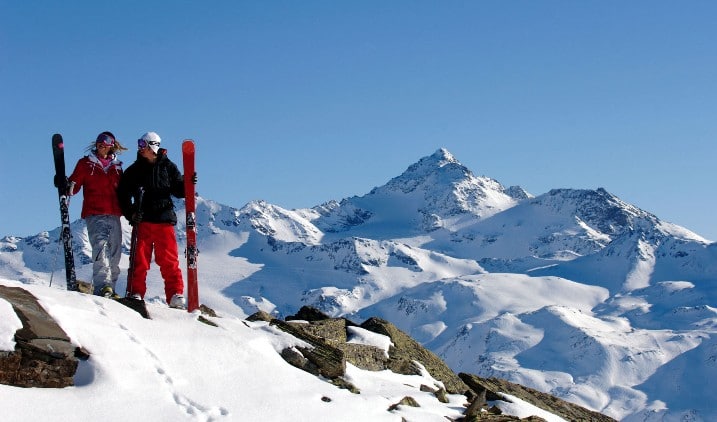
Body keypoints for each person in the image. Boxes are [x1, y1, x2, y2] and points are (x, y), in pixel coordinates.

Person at [116, 131, 190, 309]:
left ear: (152, 146)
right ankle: (136, 292)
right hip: (143, 221)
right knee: (139, 260)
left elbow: (179, 191)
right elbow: (122, 194)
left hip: (164, 220)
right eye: (139, 144)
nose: (140, 148)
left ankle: (175, 294)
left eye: (143, 144)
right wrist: (131, 213)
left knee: (169, 260)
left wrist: (188, 182)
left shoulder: (168, 167)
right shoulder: (134, 170)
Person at [68, 131, 128, 297]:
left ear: (111, 145)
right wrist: (67, 185)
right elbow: (74, 186)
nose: (101, 146)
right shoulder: (86, 164)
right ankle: (103, 286)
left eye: (105, 144)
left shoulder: (117, 167)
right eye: (99, 143)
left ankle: (111, 288)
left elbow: (122, 191)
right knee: (100, 248)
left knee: (115, 252)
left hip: (114, 213)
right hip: (95, 212)